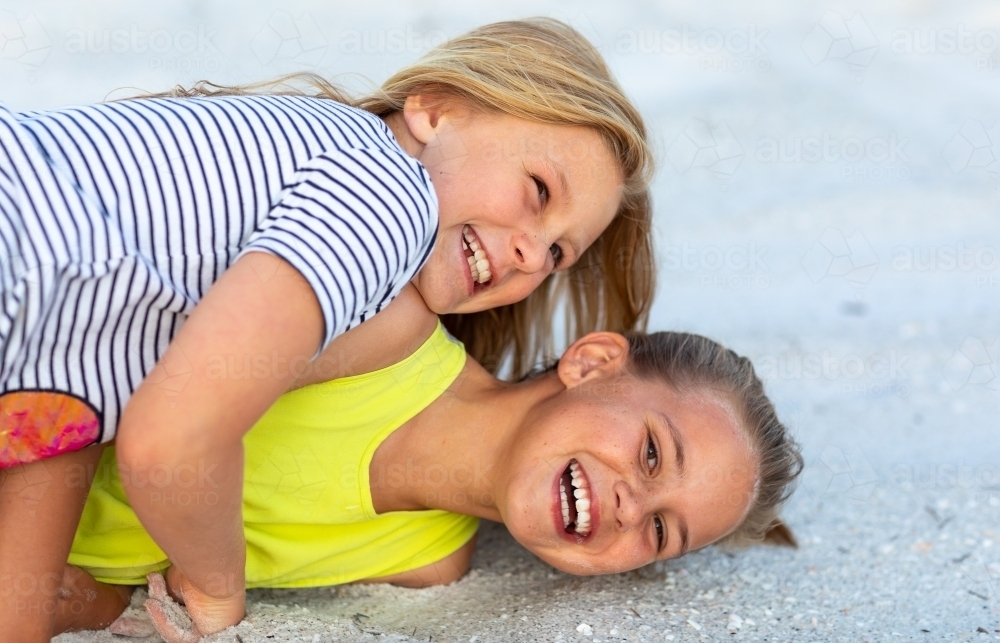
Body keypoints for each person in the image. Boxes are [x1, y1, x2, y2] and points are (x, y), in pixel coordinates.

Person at [0, 18, 655, 642]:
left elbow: (72, 372)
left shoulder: (325, 163)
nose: (533, 257)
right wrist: (217, 588)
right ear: (435, 110)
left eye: (558, 254)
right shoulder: (385, 203)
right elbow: (169, 441)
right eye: (539, 191)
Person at [51, 284, 803, 640]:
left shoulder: (427, 563)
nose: (631, 508)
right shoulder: (386, 332)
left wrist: (88, 602)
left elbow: (127, 579)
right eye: (649, 454)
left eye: (662, 533)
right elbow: (111, 364)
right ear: (594, 361)